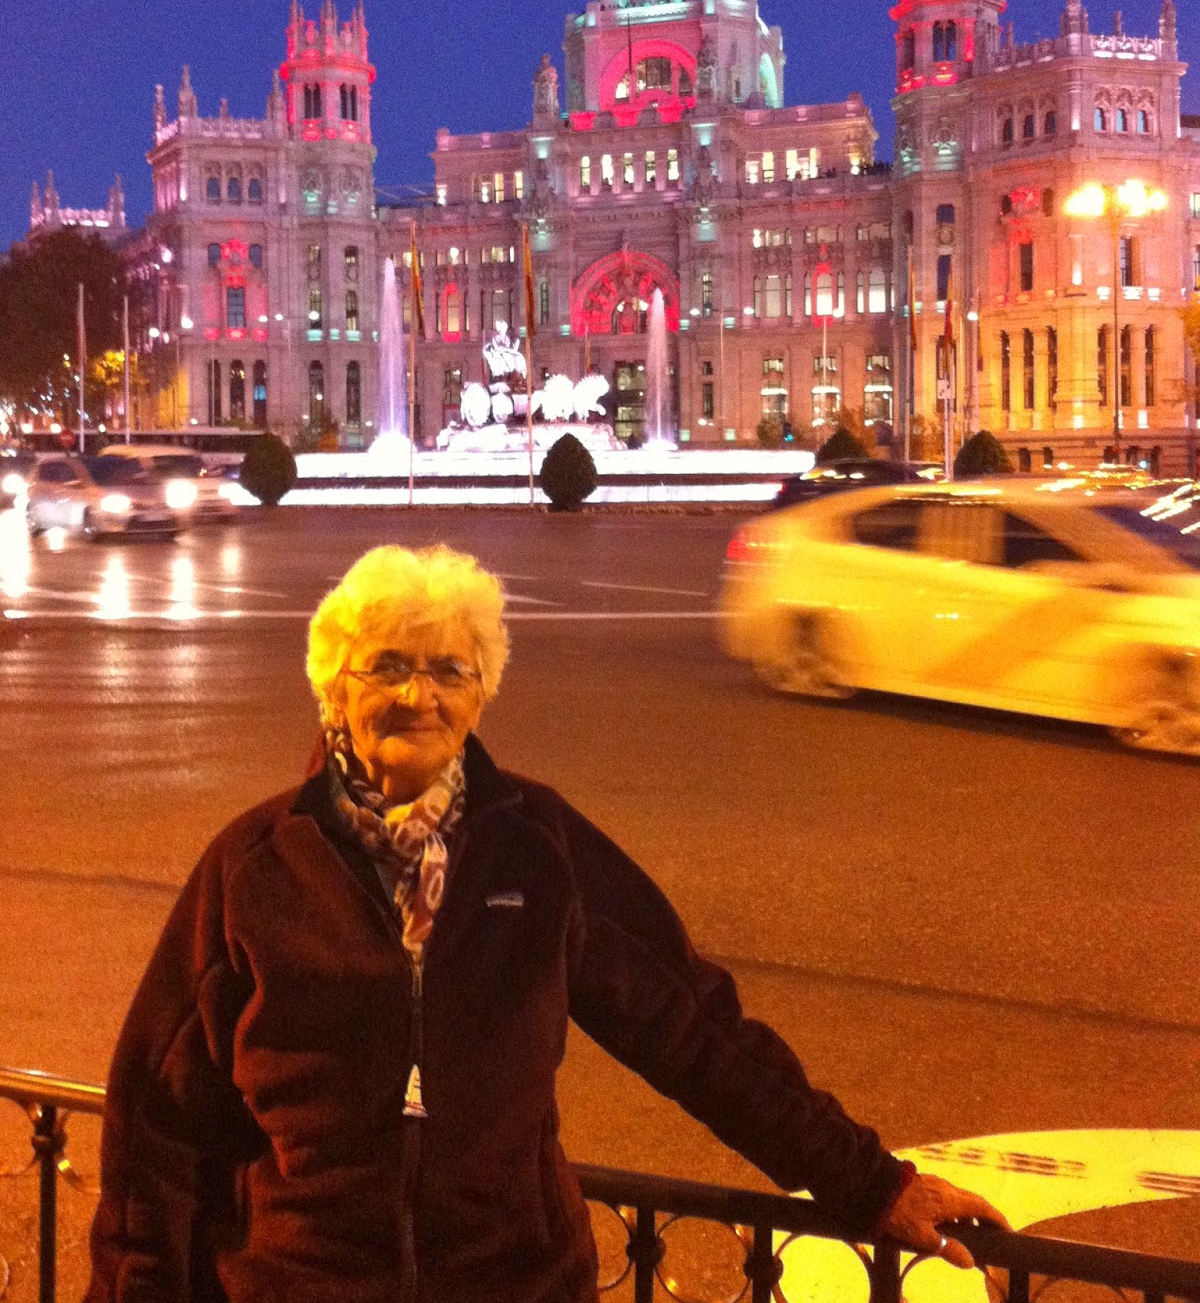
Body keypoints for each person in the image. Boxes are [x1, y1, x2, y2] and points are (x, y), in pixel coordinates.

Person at [87, 545, 1006, 1303]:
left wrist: (868, 1183)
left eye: (450, 670)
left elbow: (692, 1027)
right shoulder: (255, 867)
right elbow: (155, 1123)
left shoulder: (535, 844)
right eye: (388, 666)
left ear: (481, 693)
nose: (418, 696)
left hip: (516, 1283)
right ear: (334, 688)